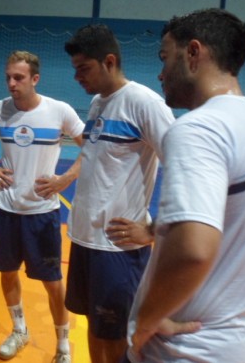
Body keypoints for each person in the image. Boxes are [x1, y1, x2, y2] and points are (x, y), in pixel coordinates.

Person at [126, 8, 245, 362]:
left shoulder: (198, 129)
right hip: (240, 342)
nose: (160, 72)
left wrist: (145, 322)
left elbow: (193, 251)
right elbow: (229, 216)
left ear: (194, 53)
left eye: (164, 57)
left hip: (187, 349)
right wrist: (158, 228)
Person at [63, 24, 175, 363]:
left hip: (117, 249)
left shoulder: (144, 103)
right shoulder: (98, 103)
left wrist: (154, 230)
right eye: (75, 69)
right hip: (84, 239)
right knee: (94, 328)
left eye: (84, 68)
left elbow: (187, 169)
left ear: (109, 61)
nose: (77, 77)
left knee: (115, 339)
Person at [0, 51, 85, 363]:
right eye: (8, 76)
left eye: (18, 77)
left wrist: (65, 179)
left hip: (42, 213)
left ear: (35, 79)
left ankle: (63, 346)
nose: (11, 83)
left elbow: (89, 146)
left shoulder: (59, 111)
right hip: (6, 210)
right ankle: (20, 330)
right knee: (7, 273)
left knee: (52, 283)